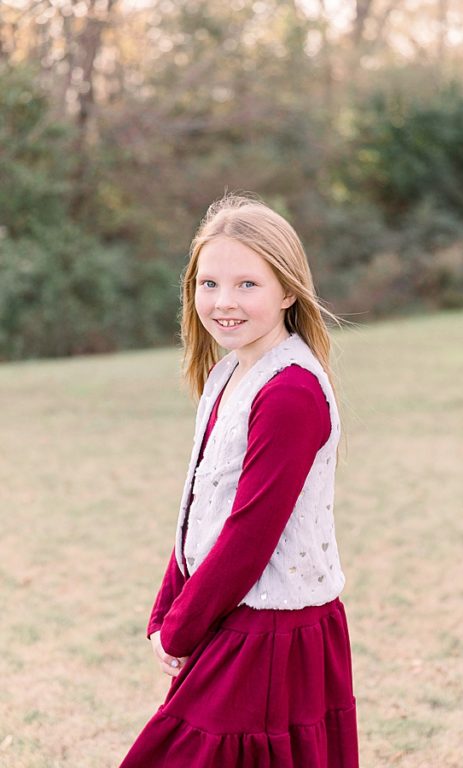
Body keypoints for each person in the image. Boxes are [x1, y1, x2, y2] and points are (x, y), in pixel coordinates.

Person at [121, 194, 358, 767]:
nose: (224, 302)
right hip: (225, 615)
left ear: (287, 291)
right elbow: (199, 507)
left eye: (247, 284)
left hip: (273, 635)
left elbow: (249, 537)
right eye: (209, 284)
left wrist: (179, 630)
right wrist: (164, 610)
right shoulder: (229, 372)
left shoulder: (291, 393)